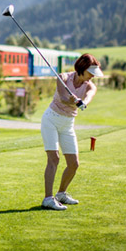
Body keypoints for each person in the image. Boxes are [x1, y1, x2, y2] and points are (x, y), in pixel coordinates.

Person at [40, 53, 103, 210]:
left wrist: (82, 102)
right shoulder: (63, 77)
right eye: (91, 73)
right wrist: (72, 99)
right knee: (54, 159)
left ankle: (61, 194)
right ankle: (48, 198)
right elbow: (62, 97)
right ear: (82, 68)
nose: (92, 77)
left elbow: (88, 97)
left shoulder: (90, 85)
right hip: (51, 120)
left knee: (74, 164)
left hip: (67, 124)